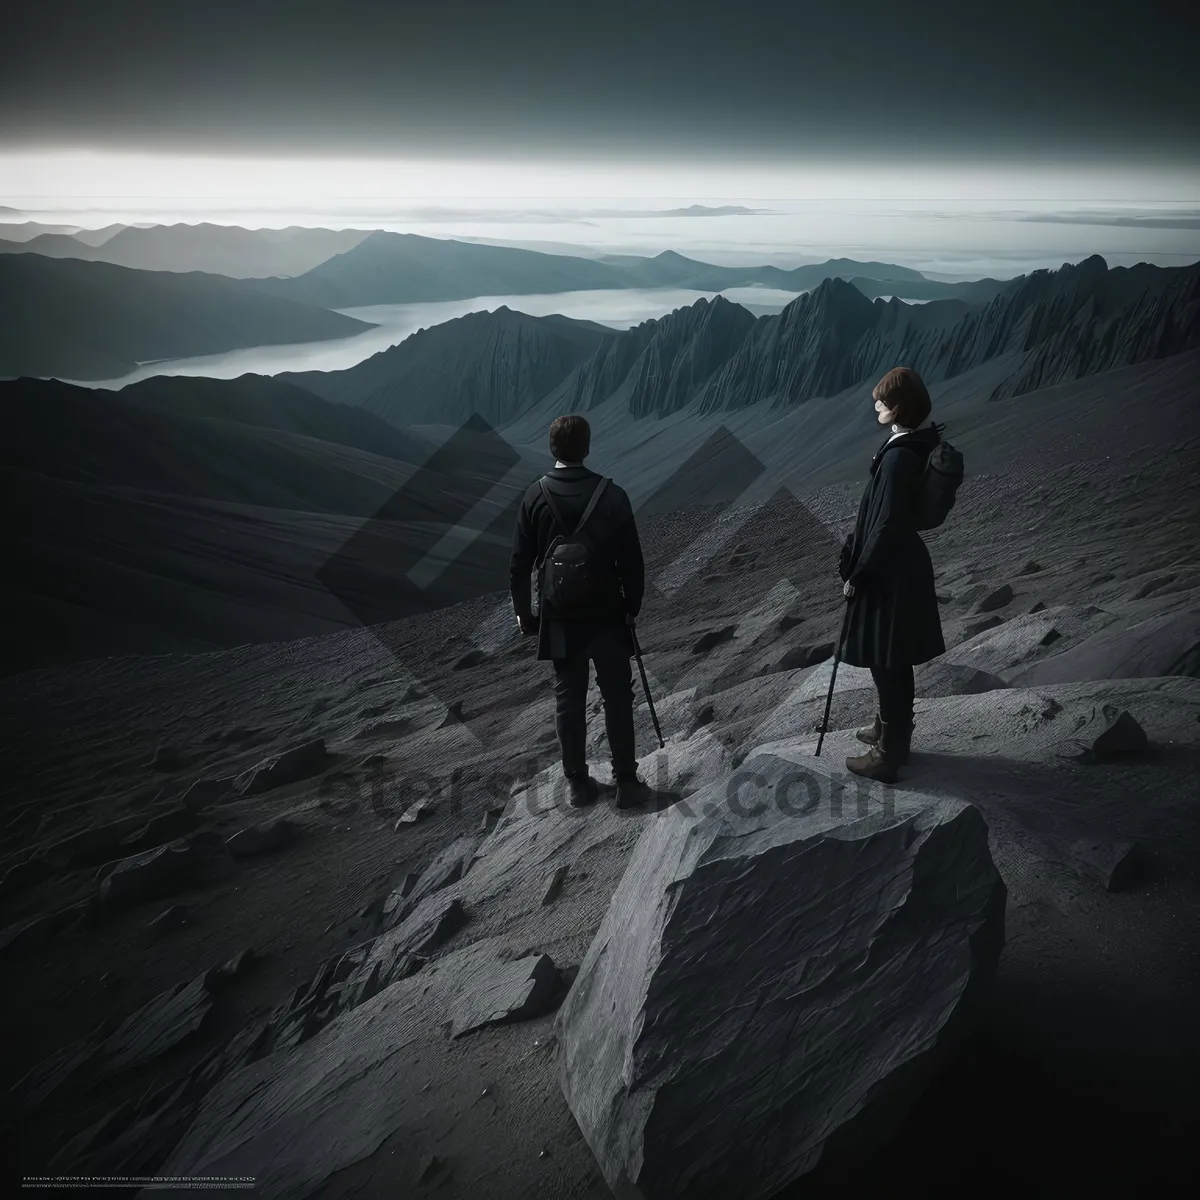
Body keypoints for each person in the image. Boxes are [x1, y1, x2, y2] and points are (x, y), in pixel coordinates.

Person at [510, 414, 652, 808]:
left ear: (552, 449)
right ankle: (626, 781)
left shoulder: (533, 496)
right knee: (617, 696)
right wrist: (631, 606)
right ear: (587, 447)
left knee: (567, 698)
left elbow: (519, 564)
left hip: (559, 617)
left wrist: (525, 615)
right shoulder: (612, 495)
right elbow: (633, 560)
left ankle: (577, 784)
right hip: (606, 614)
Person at [838, 366, 946, 783]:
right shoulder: (905, 446)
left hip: (891, 571)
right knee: (891, 657)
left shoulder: (899, 457)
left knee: (887, 660)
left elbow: (886, 524)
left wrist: (860, 573)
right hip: (898, 565)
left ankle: (889, 754)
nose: (876, 404)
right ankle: (890, 729)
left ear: (899, 406)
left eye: (883, 400)